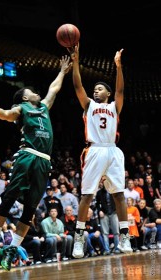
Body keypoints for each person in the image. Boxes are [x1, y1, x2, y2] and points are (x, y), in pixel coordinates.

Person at [0, 55, 72, 271]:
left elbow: (54, 89)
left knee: (30, 209)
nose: (35, 91)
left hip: (44, 161)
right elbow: (7, 114)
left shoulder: (43, 107)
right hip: (27, 155)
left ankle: (12, 249)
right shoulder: (22, 109)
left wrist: (62, 71)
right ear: (24, 98)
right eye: (30, 91)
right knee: (11, 196)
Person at [69, 44, 132, 259]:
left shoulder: (115, 106)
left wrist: (118, 67)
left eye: (99, 88)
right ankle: (78, 238)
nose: (96, 90)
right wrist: (75, 62)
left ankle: (125, 236)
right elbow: (78, 86)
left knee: (119, 195)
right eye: (94, 88)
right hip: (94, 150)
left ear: (108, 93)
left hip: (113, 151)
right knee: (87, 195)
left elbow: (121, 90)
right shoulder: (89, 106)